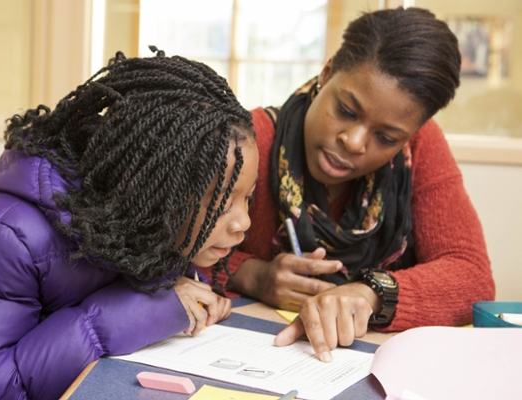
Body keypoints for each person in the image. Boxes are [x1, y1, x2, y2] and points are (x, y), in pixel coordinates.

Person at [0, 48, 258, 399]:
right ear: (154, 189)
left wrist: (185, 292)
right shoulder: (6, 236)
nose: (243, 221)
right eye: (224, 203)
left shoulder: (143, 222)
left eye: (248, 197)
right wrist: (132, 314)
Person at [199, 7, 495, 363]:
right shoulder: (251, 142)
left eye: (385, 137)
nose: (354, 142)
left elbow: (472, 276)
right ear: (326, 74)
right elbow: (165, 248)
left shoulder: (419, 148)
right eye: (347, 110)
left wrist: (371, 294)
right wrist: (250, 274)